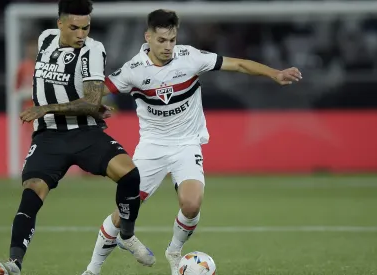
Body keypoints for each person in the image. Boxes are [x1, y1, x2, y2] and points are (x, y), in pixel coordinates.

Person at [20, 8, 302, 275]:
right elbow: (94, 93)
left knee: (191, 204)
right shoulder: (133, 70)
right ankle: (92, 268)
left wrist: (274, 73)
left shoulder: (190, 57)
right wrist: (74, 106)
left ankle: (174, 251)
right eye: (162, 40)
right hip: (152, 147)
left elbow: (238, 64)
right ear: (149, 38)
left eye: (173, 39)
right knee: (123, 213)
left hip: (187, 144)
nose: (168, 46)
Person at [0, 1, 156, 274]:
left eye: (86, 27)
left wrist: (49, 107)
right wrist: (61, 108)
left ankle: (125, 235)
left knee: (130, 175)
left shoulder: (93, 50)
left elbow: (91, 100)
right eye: (74, 27)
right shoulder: (45, 40)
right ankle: (14, 263)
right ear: (59, 25)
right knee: (32, 191)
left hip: (84, 132)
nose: (81, 34)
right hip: (48, 136)